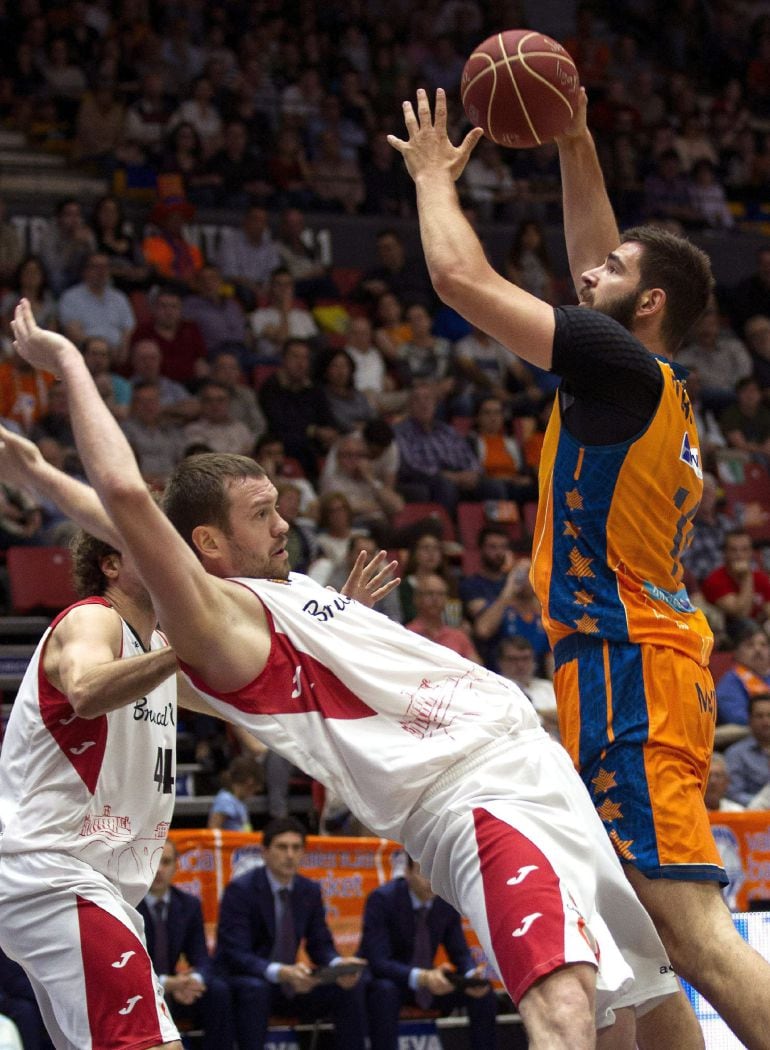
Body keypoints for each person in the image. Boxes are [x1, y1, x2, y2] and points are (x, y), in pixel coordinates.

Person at [12, 303, 690, 1050]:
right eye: (264, 512)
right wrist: (70, 364)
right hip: (471, 788)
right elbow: (127, 500)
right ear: (207, 543)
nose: (285, 525)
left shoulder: (289, 588)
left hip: (532, 762)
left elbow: (128, 520)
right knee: (566, 1010)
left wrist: (41, 473)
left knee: (644, 1008)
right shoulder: (212, 620)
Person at [387, 83, 770, 1048]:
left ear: (643, 305)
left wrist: (434, 177)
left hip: (624, 671)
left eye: (612, 271)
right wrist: (576, 142)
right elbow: (594, 257)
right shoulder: (652, 383)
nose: (585, 272)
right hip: (638, 665)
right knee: (643, 959)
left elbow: (460, 281)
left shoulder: (617, 366)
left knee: (693, 938)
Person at [0, 523, 183, 1050]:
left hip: (99, 883)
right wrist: (188, 649)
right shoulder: (91, 620)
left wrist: (315, 631)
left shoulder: (160, 646)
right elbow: (84, 688)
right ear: (111, 565)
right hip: (53, 874)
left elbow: (241, 685)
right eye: (151, 543)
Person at [215, 817, 368, 1050]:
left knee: (348, 987)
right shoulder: (241, 890)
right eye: (282, 847)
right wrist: (282, 973)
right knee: (256, 990)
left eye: (296, 848)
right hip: (249, 979)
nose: (290, 855)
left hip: (291, 983)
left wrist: (337, 965)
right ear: (265, 852)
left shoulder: (309, 890)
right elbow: (236, 953)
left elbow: (320, 944)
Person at [359, 854, 497, 1050]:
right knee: (384, 991)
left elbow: (460, 952)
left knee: (482, 993)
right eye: (423, 873)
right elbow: (378, 961)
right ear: (406, 872)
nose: (431, 881)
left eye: (436, 873)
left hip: (429, 983)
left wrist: (470, 975)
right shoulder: (382, 899)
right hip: (394, 980)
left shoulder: (445, 903)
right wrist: (422, 977)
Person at [138, 840, 235, 1050]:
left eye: (166, 862)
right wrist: (164, 983)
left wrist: (193, 980)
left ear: (176, 866)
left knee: (217, 991)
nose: (159, 869)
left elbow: (201, 957)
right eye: (153, 862)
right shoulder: (128, 905)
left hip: (176, 988)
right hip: (139, 988)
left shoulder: (188, 904)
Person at [701, 529, 770, 636]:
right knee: (747, 625)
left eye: (744, 550)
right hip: (728, 632)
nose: (739, 555)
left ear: (751, 552)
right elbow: (741, 613)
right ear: (725, 553)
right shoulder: (715, 579)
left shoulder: (760, 577)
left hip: (758, 630)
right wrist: (747, 577)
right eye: (734, 550)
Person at [406, 573, 481, 662]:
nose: (435, 599)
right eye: (430, 594)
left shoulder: (459, 637)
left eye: (441, 594)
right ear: (416, 599)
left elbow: (477, 670)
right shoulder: (406, 634)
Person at [724, 693, 770, 807]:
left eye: (769, 715)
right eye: (759, 716)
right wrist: (762, 804)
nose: (766, 722)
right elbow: (733, 793)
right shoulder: (736, 754)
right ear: (750, 719)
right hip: (752, 815)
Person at [208, 755, 263, 831]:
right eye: (254, 791)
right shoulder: (225, 800)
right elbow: (213, 829)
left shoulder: (239, 801)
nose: (253, 795)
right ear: (249, 782)